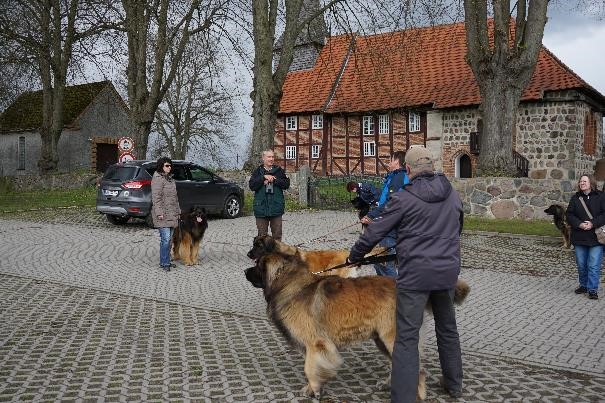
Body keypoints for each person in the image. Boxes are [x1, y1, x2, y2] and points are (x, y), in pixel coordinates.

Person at [347, 146, 464, 401]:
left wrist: (354, 256)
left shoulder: (404, 198)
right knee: (447, 328)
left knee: (407, 337)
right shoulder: (452, 195)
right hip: (446, 273)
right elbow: (458, 229)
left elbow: (375, 232)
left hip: (415, 277)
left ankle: (403, 396)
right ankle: (454, 383)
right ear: (432, 168)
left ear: (408, 170)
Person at [362, 151, 409, 277]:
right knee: (379, 261)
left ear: (397, 162)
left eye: (391, 160)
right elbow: (384, 199)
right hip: (387, 222)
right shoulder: (395, 176)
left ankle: (394, 292)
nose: (389, 163)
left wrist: (371, 216)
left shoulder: (399, 177)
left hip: (391, 226)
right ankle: (384, 290)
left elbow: (391, 202)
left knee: (385, 262)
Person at [566, 174, 605, 300]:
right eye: (580, 181)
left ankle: (592, 289)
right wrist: (579, 224)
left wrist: (593, 223)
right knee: (581, 264)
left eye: (584, 181)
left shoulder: (601, 196)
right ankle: (583, 285)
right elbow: (569, 215)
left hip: (596, 238)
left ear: (591, 183)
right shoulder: (575, 198)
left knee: (593, 264)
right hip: (579, 236)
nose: (581, 183)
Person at [249, 150, 290, 241]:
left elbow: (286, 184)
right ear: (263, 158)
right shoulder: (257, 172)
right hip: (261, 208)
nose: (271, 159)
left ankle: (277, 255)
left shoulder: (279, 171)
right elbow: (252, 186)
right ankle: (263, 255)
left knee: (277, 236)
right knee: (262, 237)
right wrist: (263, 177)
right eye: (269, 157)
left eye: (272, 157)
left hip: (276, 208)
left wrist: (274, 180)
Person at [151, 157, 181, 272]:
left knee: (169, 240)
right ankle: (164, 263)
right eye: (167, 166)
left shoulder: (170, 179)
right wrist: (159, 213)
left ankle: (167, 260)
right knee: (165, 239)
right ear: (161, 166)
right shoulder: (158, 179)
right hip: (163, 214)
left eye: (170, 165)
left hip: (172, 214)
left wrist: (178, 211)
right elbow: (156, 198)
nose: (169, 167)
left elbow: (175, 198)